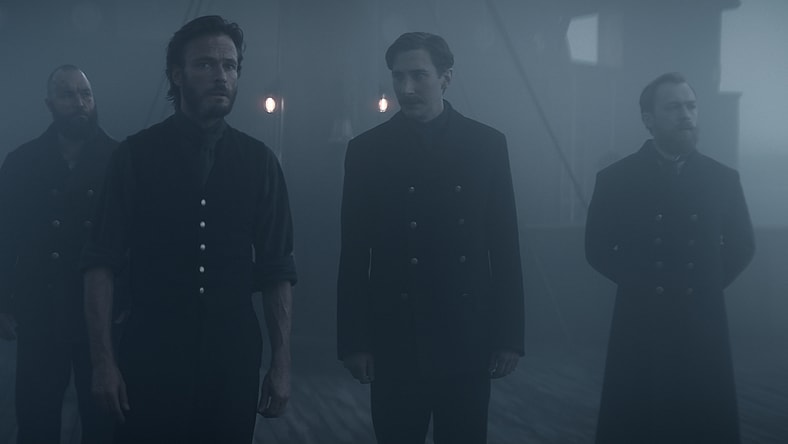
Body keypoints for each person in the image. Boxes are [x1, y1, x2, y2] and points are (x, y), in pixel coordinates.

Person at [81, 15, 296, 444]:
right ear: (177, 74)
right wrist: (102, 362)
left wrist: (282, 364)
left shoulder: (260, 162)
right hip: (150, 355)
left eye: (230, 65)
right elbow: (99, 263)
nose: (221, 75)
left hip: (232, 359)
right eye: (205, 64)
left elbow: (277, 269)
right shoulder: (134, 156)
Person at [337, 32, 525, 444]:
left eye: (418, 75)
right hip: (396, 338)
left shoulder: (487, 144)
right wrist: (354, 342)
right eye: (398, 76)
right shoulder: (367, 151)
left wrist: (509, 337)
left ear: (446, 78)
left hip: (467, 337)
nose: (406, 88)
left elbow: (505, 246)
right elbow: (353, 254)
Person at [585, 72, 755, 444]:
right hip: (641, 324)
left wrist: (703, 285)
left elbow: (743, 244)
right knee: (639, 423)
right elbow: (596, 248)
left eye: (691, 106)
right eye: (674, 107)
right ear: (649, 119)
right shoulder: (616, 179)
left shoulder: (722, 178)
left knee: (702, 423)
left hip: (702, 324)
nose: (685, 115)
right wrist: (642, 283)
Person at [0, 65, 117, 443]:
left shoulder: (118, 160)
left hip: (101, 312)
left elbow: (132, 240)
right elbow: (5, 236)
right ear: (49, 103)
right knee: (36, 417)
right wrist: (2, 302)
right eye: (68, 94)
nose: (80, 102)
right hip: (40, 309)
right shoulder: (22, 162)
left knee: (103, 420)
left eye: (86, 94)